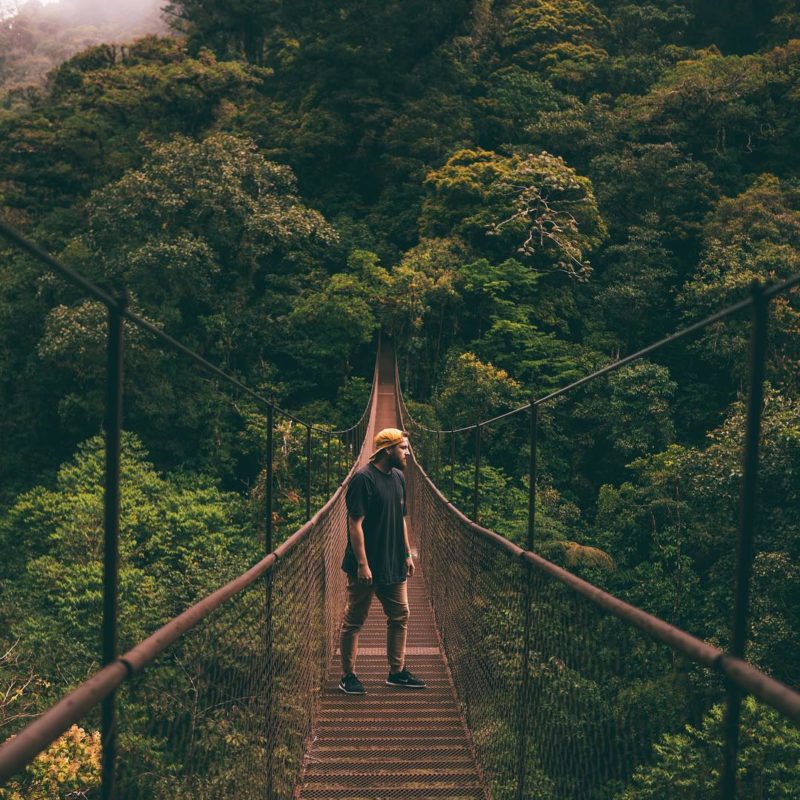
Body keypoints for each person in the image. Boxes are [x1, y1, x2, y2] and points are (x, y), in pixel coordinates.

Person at [338, 427, 426, 694]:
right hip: (366, 567)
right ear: (388, 450)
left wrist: (406, 553)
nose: (407, 453)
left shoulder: (398, 477)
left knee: (400, 616)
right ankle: (348, 676)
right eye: (403, 448)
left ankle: (396, 672)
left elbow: (400, 518)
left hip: (393, 563)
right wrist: (363, 564)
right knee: (354, 621)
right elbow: (355, 524)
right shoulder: (363, 480)